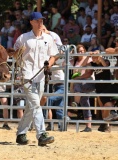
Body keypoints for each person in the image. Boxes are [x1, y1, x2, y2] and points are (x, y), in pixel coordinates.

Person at [14, 12, 59, 146]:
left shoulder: (48, 38)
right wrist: (18, 53)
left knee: (31, 106)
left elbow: (54, 55)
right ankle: (41, 134)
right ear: (31, 22)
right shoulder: (23, 38)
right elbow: (15, 54)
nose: (40, 23)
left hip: (41, 76)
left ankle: (21, 133)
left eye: (42, 21)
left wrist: (48, 65)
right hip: (27, 75)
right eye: (38, 21)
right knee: (35, 104)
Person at [73, 50, 112, 132]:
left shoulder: (105, 61)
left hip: (107, 86)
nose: (93, 59)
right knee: (102, 108)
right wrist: (88, 56)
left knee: (106, 107)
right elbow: (83, 65)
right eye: (93, 57)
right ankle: (105, 124)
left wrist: (99, 56)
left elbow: (105, 66)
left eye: (95, 57)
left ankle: (107, 125)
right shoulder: (93, 64)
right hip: (99, 87)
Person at [69, 45, 95, 132]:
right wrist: (69, 53)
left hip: (89, 83)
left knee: (78, 86)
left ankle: (75, 106)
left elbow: (89, 73)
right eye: (79, 51)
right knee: (85, 103)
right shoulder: (75, 61)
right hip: (79, 86)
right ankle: (88, 126)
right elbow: (64, 63)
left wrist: (78, 78)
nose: (81, 52)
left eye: (82, 51)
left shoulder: (88, 59)